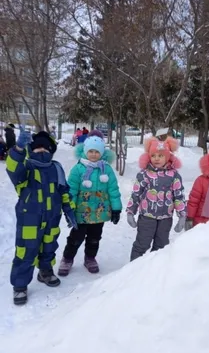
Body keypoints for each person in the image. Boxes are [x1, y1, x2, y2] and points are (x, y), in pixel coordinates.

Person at [6, 128, 77, 305]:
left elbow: (64, 191)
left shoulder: (56, 169)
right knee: (26, 251)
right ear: (31, 149)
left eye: (45, 148)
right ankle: (20, 285)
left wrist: (69, 210)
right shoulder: (26, 168)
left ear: (51, 150)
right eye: (37, 148)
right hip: (29, 219)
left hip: (52, 217)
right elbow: (12, 169)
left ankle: (45, 271)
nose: (42, 151)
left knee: (49, 246)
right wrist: (18, 149)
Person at [58, 130, 122, 276]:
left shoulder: (107, 169)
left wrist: (116, 209)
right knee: (76, 237)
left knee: (95, 237)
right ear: (85, 151)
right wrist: (69, 208)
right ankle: (67, 258)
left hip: (99, 212)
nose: (93, 154)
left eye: (97, 152)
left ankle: (90, 258)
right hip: (81, 211)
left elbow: (113, 189)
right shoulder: (78, 169)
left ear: (102, 153)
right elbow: (71, 190)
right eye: (91, 151)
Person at [126, 136, 186, 261]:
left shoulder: (174, 175)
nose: (157, 159)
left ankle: (155, 271)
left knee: (161, 247)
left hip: (165, 218)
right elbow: (136, 194)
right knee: (142, 244)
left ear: (167, 157)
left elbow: (178, 196)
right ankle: (132, 270)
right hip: (147, 217)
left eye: (160, 155)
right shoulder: (144, 174)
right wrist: (131, 211)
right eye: (153, 156)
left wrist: (182, 215)